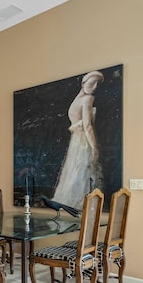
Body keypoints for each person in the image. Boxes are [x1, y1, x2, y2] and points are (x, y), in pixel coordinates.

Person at [53, 70, 104, 209]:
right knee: (82, 173)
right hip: (83, 143)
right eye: (92, 83)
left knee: (74, 174)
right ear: (83, 82)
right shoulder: (87, 99)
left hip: (75, 142)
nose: (94, 87)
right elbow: (87, 126)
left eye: (97, 84)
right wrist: (94, 147)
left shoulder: (75, 101)